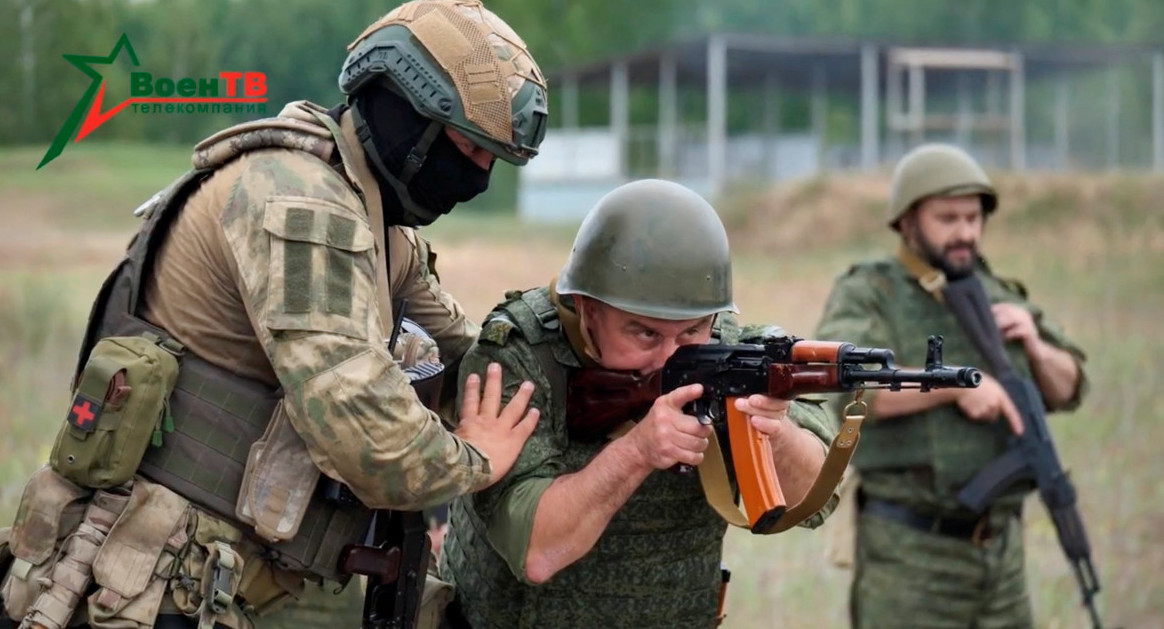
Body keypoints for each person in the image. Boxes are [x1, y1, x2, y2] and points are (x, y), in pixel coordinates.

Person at [0, 2, 547, 629]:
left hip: (226, 583)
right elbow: (371, 441)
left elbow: (472, 357)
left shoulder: (381, 225)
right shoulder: (301, 203)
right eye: (466, 147)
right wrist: (475, 458)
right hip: (144, 589)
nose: (477, 177)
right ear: (402, 111)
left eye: (492, 161)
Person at [437, 179, 839, 629]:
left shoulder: (734, 351)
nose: (670, 357)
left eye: (691, 332)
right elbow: (536, 553)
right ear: (588, 309)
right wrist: (638, 451)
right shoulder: (518, 358)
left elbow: (815, 504)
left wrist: (776, 434)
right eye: (645, 333)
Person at [813, 143, 1089, 629]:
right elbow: (853, 388)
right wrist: (957, 386)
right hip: (911, 557)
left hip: (1001, 556)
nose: (965, 232)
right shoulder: (871, 293)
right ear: (907, 220)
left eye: (973, 218)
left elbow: (1072, 388)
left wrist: (1036, 345)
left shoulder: (999, 294)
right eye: (948, 218)